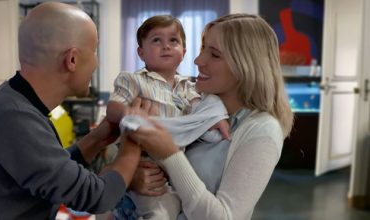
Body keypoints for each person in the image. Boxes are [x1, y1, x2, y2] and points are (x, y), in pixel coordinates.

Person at [0, 2, 143, 219]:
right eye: (94, 51)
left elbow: (52, 171)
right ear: (72, 59)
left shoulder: (10, 103)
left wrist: (97, 139)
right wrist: (134, 139)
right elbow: (95, 196)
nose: (96, 63)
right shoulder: (12, 117)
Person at [125, 13, 294, 220]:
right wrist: (135, 177)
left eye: (214, 55)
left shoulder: (262, 131)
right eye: (203, 49)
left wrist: (170, 155)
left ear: (245, 66)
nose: (198, 60)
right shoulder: (195, 105)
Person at [107, 15, 229, 220]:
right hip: (144, 162)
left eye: (173, 40)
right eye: (156, 40)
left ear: (184, 51)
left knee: (178, 208)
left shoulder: (189, 87)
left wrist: (216, 119)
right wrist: (129, 113)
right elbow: (113, 108)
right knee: (158, 212)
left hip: (176, 164)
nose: (166, 46)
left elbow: (203, 111)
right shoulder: (133, 80)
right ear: (141, 52)